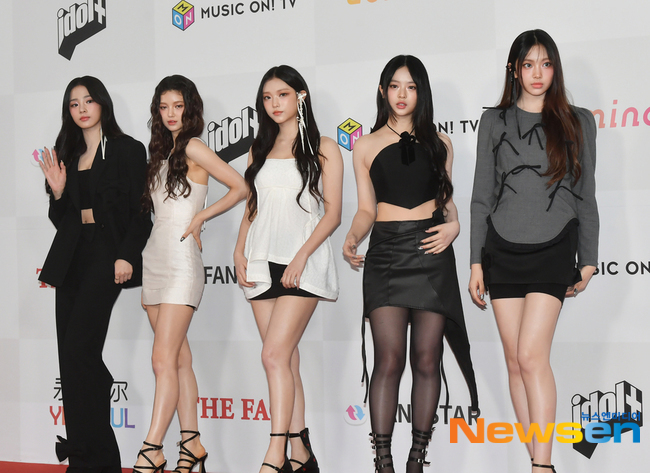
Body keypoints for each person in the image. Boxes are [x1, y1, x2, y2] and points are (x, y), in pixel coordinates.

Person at [469, 30, 599, 473]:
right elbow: (481, 198)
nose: (537, 73)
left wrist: (588, 258)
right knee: (513, 362)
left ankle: (540, 467)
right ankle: (538, 460)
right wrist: (475, 262)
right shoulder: (494, 121)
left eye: (545, 64)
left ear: (555, 68)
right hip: (502, 248)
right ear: (515, 70)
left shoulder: (578, 121)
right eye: (528, 64)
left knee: (530, 356)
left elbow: (586, 194)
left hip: (554, 244)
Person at [343, 55, 479, 473]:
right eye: (395, 85)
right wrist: (352, 236)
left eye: (411, 86)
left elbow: (447, 202)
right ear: (383, 90)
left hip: (432, 252)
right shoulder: (364, 145)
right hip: (386, 252)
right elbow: (366, 209)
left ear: (422, 92)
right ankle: (383, 462)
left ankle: (416, 461)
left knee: (426, 358)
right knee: (388, 360)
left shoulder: (441, 143)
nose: (402, 94)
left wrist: (455, 227)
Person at [133, 75, 247, 473]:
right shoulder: (161, 152)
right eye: (163, 107)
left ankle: (152, 448)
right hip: (154, 259)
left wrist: (202, 216)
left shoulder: (195, 146)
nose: (170, 114)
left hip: (182, 262)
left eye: (177, 106)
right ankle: (192, 443)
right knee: (178, 359)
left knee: (162, 360)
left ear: (190, 108)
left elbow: (240, 187)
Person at [39, 76, 152, 472]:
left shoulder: (127, 149)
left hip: (107, 255)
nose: (82, 109)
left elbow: (141, 212)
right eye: (74, 103)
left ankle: (100, 458)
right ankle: (82, 458)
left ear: (102, 103)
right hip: (71, 258)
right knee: (69, 358)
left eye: (88, 100)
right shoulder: (66, 153)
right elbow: (62, 219)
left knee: (79, 350)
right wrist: (57, 192)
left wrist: (126, 255)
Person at [234, 65, 343, 473]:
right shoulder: (258, 148)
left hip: (303, 263)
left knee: (273, 354)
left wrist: (301, 256)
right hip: (261, 261)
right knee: (286, 360)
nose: (274, 104)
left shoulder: (324, 146)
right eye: (267, 97)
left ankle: (274, 453)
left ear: (300, 96)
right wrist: (239, 249)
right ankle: (301, 454)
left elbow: (332, 214)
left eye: (282, 95)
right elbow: (252, 206)